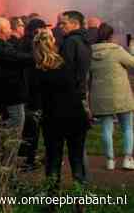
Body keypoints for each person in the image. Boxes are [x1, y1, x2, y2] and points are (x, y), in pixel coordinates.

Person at [34, 30, 89, 189]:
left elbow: (36, 99)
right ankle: (80, 199)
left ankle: (51, 200)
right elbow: (76, 86)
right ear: (53, 42)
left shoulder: (36, 70)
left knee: (53, 160)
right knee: (77, 160)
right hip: (75, 115)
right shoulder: (65, 64)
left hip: (52, 119)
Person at [89, 23, 134, 170]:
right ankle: (128, 159)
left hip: (100, 96)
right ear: (111, 36)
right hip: (121, 95)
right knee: (127, 127)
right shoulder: (117, 50)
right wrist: (132, 48)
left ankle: (110, 160)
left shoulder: (90, 52)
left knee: (106, 129)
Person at [0, 17, 33, 136]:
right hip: (12, 95)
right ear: (2, 30)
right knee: (14, 131)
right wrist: (37, 55)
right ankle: (9, 155)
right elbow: (18, 57)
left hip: (6, 95)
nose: (11, 30)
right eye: (9, 27)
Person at [18, 18, 49, 171]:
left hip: (26, 90)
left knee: (30, 126)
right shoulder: (37, 44)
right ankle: (33, 159)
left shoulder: (21, 42)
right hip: (37, 90)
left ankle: (29, 157)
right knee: (36, 126)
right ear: (38, 30)